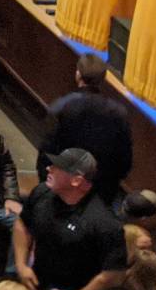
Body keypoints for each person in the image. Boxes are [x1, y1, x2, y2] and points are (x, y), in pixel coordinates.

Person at [15, 147, 128, 290]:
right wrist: (21, 265)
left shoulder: (104, 223)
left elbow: (114, 274)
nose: (49, 168)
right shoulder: (42, 193)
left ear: (76, 180)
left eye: (57, 167)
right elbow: (23, 224)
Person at [44, 54, 133, 209]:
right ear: (103, 79)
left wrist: (47, 180)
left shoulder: (62, 106)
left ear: (78, 74)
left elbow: (48, 147)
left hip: (65, 182)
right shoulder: (119, 113)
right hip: (102, 187)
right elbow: (124, 157)